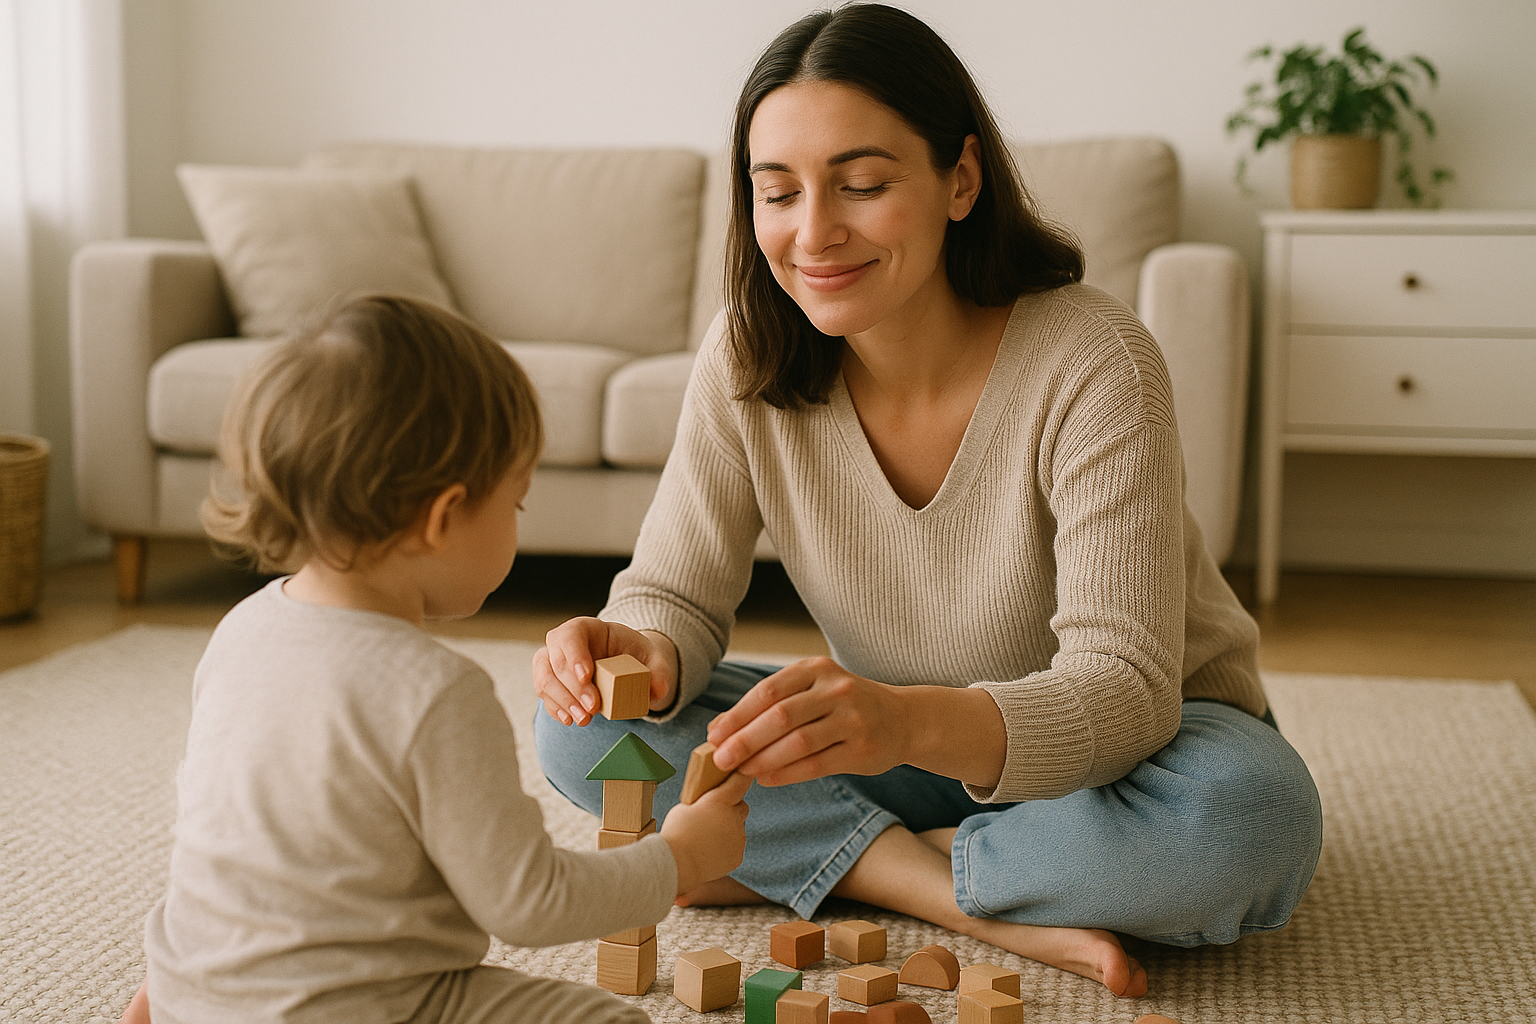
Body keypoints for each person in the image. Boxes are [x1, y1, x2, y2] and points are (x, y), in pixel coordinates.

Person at [533, 3, 1322, 1001]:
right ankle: (954, 885)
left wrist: (902, 724)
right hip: (890, 743)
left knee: (1247, 825)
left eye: (862, 184)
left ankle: (833, 859)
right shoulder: (746, 351)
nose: (813, 232)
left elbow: (1125, 688)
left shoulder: (1093, 358)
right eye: (776, 193)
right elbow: (675, 597)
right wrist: (636, 651)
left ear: (960, 179)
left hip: (1138, 749)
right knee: (579, 735)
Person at [119, 295, 752, 1024]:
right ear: (443, 517)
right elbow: (530, 903)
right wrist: (679, 859)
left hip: (198, 996)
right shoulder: (435, 692)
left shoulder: (240, 631)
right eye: (514, 503)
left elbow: (220, 846)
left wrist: (169, 989)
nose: (516, 525)